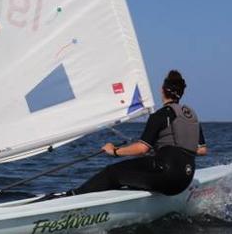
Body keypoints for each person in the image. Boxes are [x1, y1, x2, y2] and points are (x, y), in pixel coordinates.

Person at [69, 70, 207, 196]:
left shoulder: (160, 115)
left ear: (162, 90)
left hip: (167, 178)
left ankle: (74, 196)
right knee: (142, 170)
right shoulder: (192, 117)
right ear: (181, 93)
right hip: (184, 179)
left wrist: (114, 151)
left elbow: (142, 149)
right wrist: (169, 149)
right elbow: (202, 150)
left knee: (112, 173)